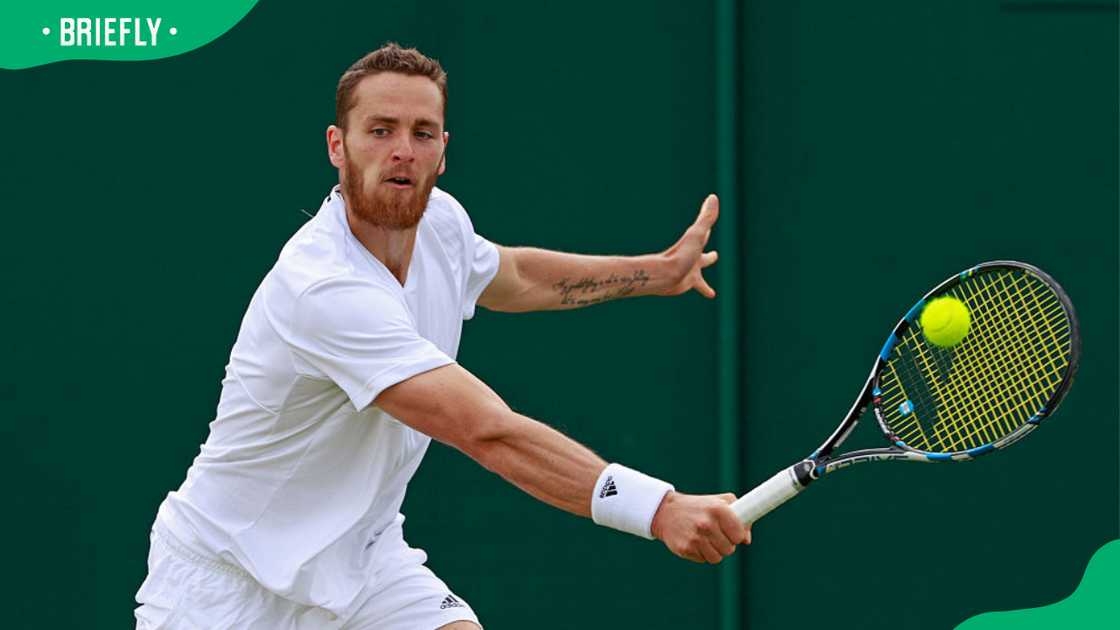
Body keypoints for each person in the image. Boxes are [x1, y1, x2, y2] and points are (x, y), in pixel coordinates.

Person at [134, 43, 750, 630]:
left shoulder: (442, 225)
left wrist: (655, 273)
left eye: (422, 133)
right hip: (229, 588)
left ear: (443, 150)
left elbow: (514, 275)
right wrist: (660, 509)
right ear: (337, 146)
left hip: (364, 561)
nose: (403, 150)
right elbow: (486, 430)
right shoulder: (324, 288)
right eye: (380, 131)